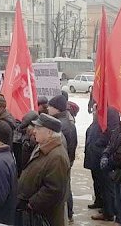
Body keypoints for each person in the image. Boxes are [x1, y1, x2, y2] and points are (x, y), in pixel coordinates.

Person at [17, 114, 70, 226]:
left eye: (38, 128)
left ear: (50, 133)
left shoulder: (57, 157)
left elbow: (54, 190)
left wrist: (31, 204)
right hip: (36, 215)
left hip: (44, 217)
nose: (34, 131)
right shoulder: (42, 146)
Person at [47, 94, 77, 223]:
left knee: (65, 188)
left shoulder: (61, 125)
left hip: (63, 161)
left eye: (51, 106)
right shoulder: (65, 121)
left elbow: (66, 145)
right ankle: (69, 213)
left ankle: (68, 213)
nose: (48, 108)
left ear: (57, 109)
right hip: (67, 159)